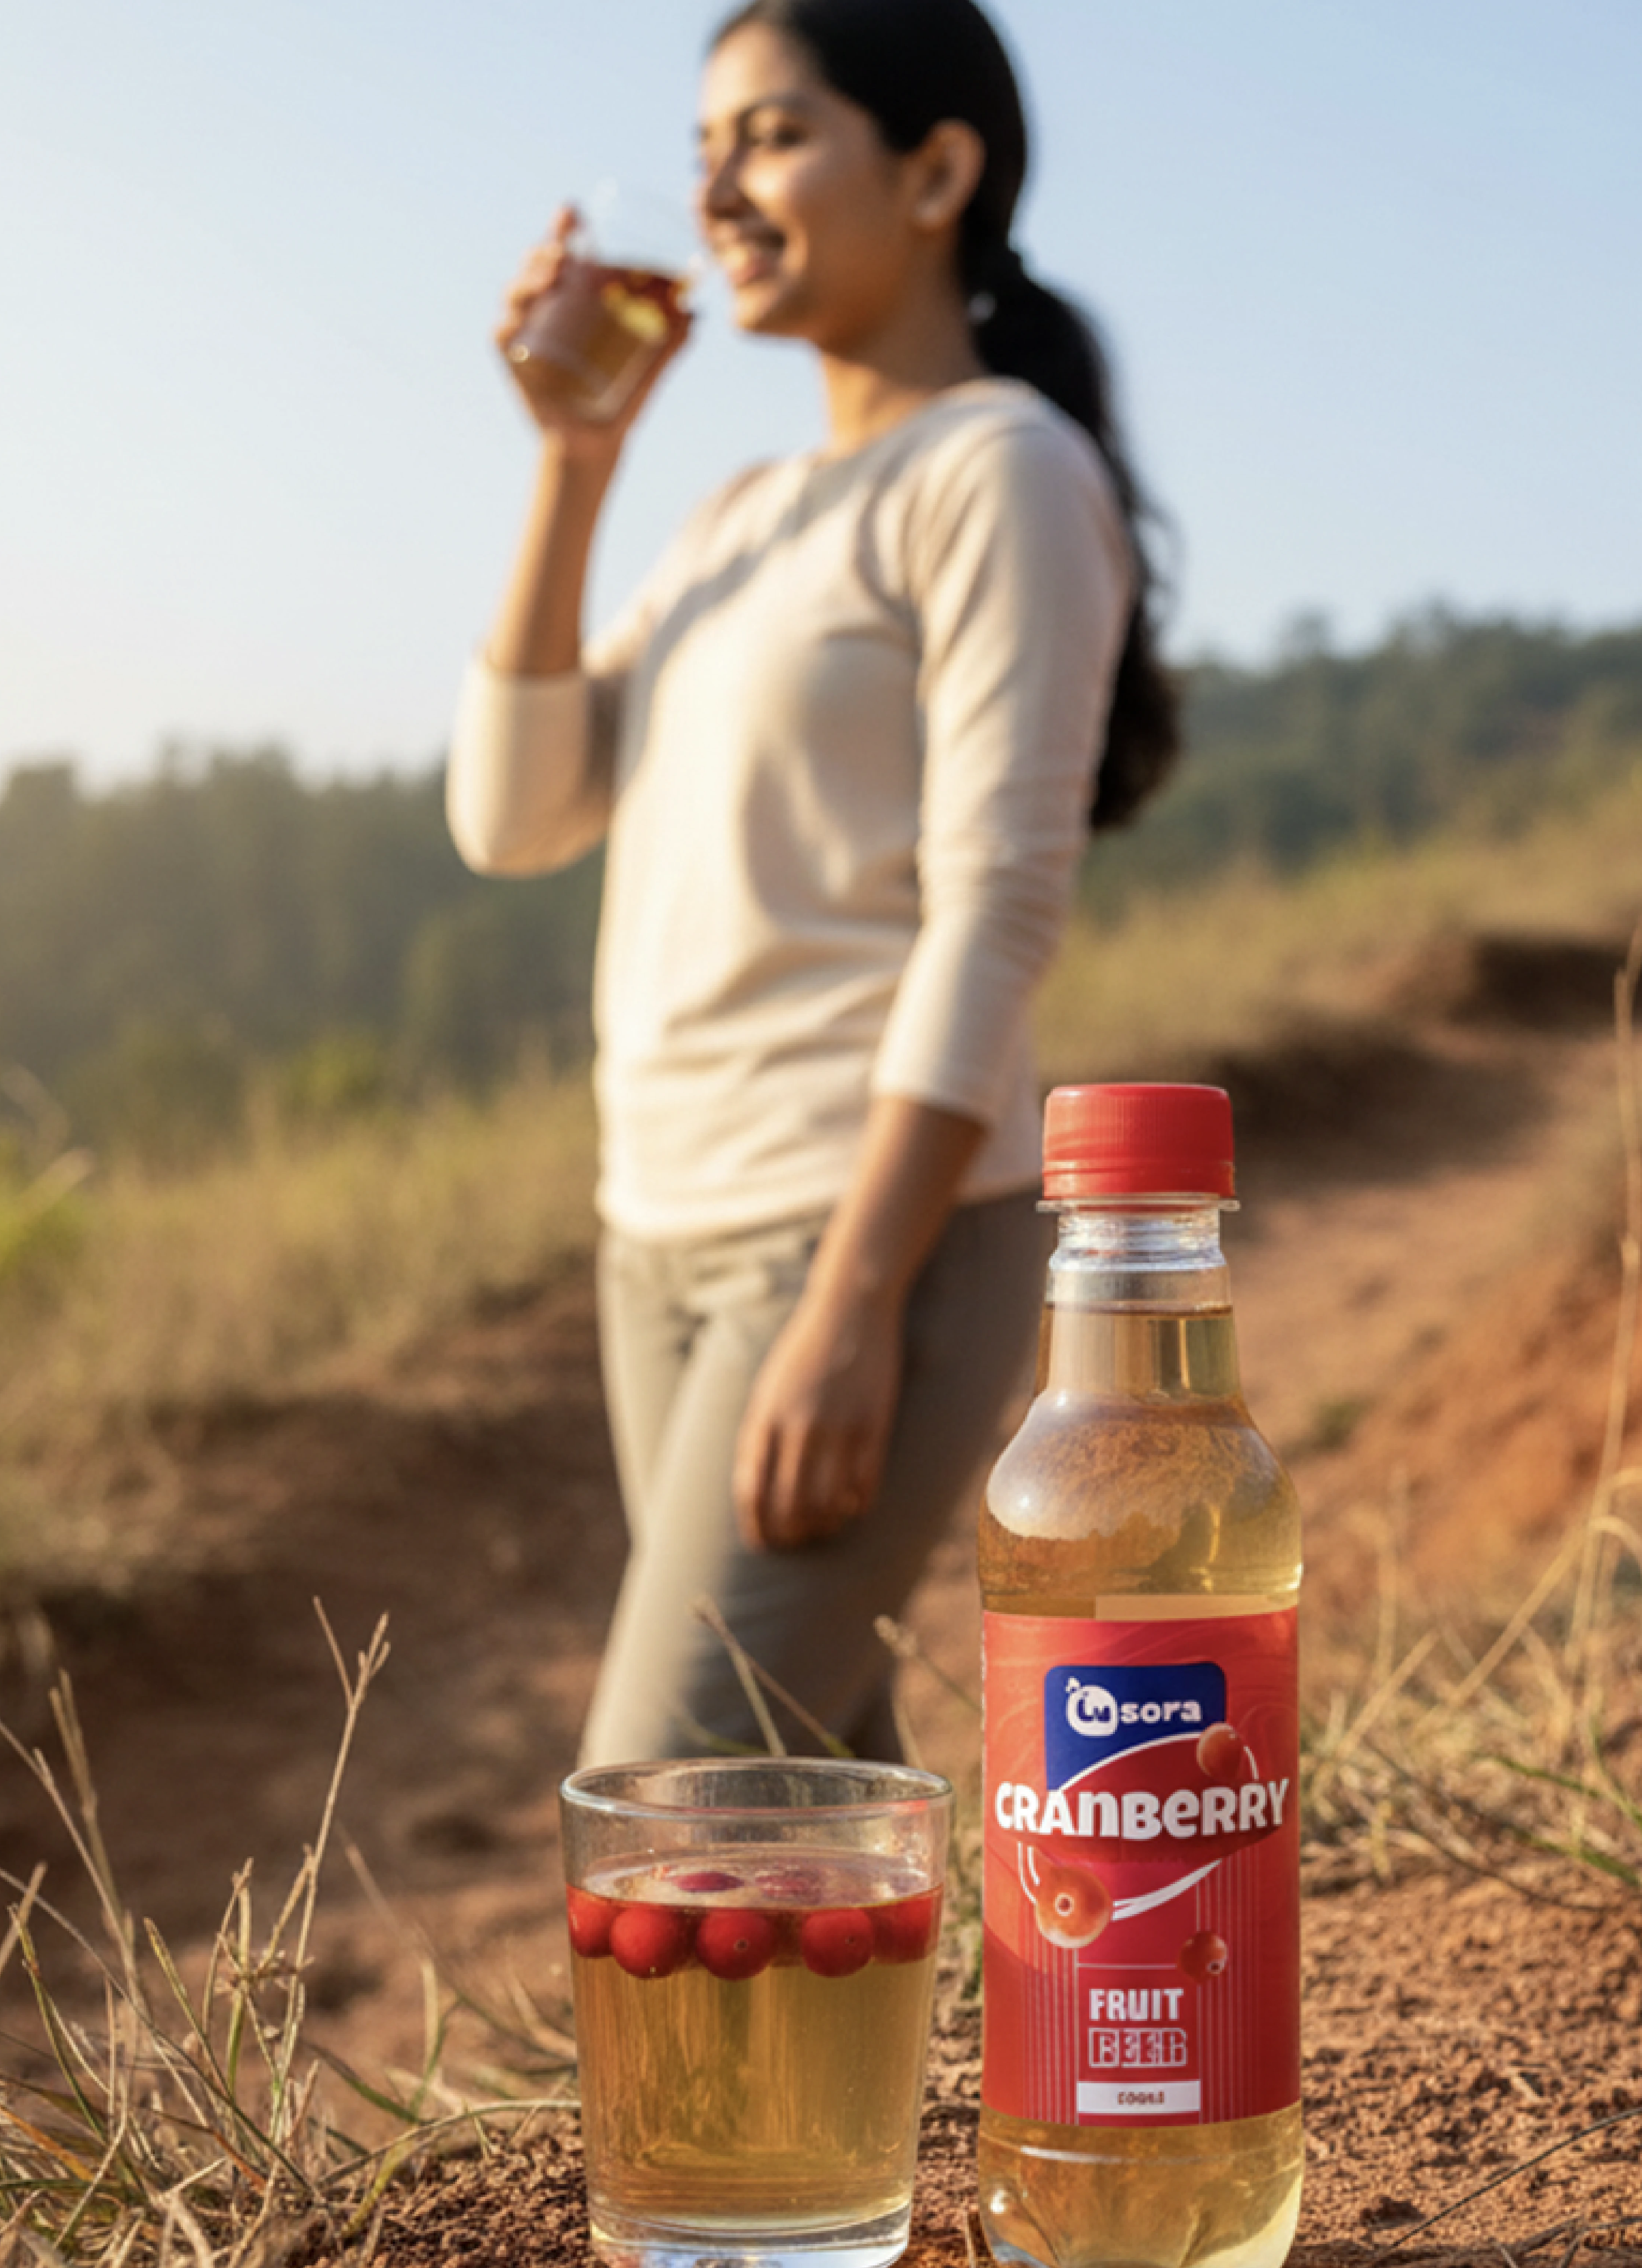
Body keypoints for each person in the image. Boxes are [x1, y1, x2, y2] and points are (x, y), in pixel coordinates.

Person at [447, 0, 1177, 1768]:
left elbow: (998, 903)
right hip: (663, 1228)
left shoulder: (996, 468)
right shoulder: (737, 515)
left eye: (771, 135)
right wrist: (575, 462)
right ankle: (961, 2059)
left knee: (667, 1798)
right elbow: (516, 811)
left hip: (858, 1232)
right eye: (705, 151)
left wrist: (855, 1306)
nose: (718, 186)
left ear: (935, 171)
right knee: (803, 1786)